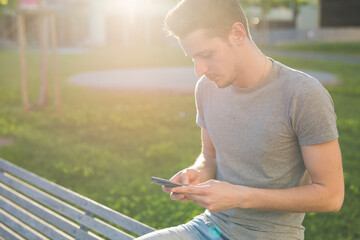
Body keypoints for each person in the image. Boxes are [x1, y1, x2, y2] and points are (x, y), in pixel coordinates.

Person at [138, 0, 344, 239]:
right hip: (209, 227)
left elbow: (331, 196)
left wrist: (239, 197)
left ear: (237, 33)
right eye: (193, 57)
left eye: (206, 55)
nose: (199, 70)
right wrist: (195, 173)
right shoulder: (207, 87)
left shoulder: (303, 94)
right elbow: (210, 156)